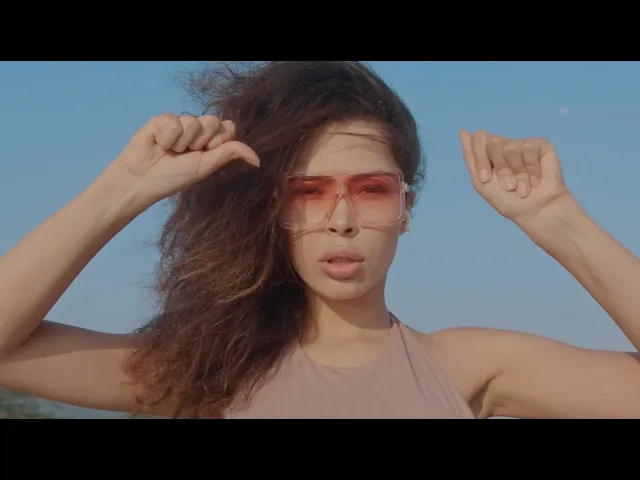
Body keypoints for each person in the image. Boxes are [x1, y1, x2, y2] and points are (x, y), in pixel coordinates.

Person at [0, 61, 639, 419]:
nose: (341, 220)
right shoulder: (206, 373)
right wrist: (123, 188)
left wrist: (556, 218)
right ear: (272, 209)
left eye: (371, 189)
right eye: (308, 191)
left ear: (406, 209)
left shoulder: (468, 367)